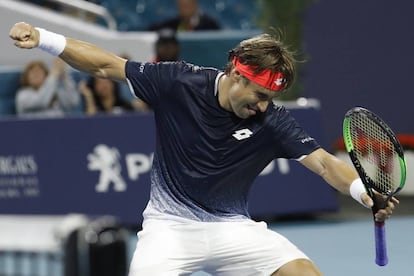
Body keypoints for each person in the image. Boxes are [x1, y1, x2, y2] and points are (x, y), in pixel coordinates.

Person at [9, 22, 398, 275]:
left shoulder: (272, 119)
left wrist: (365, 193)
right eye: (260, 95)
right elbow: (106, 66)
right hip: (169, 228)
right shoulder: (179, 82)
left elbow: (326, 165)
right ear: (236, 73)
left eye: (271, 98)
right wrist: (44, 39)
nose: (263, 106)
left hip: (234, 230)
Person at [15, 57, 80, 117]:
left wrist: (64, 77)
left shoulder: (54, 89)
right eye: (33, 73)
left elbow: (72, 103)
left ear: (46, 76)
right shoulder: (23, 95)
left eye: (39, 72)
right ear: (26, 77)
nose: (36, 75)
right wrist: (54, 74)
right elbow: (41, 101)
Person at [78, 76, 148, 115]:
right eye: (99, 83)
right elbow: (89, 121)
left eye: (107, 82)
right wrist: (89, 97)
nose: (104, 86)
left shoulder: (124, 105)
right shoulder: (95, 107)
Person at [148, 0, 220, 32]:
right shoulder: (173, 24)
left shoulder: (209, 25)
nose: (184, 9)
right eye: (181, 6)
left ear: (194, 4)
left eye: (186, 5)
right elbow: (153, 30)